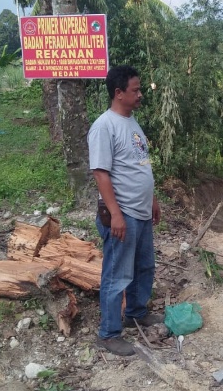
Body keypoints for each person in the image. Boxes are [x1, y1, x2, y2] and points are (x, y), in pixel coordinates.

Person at [88, 65, 163, 356]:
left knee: (144, 267)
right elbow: (100, 173)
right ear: (118, 93)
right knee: (116, 275)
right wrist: (115, 214)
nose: (140, 94)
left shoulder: (132, 123)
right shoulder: (104, 126)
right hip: (123, 214)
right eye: (135, 90)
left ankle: (135, 312)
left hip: (141, 211)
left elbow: (140, 164)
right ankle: (108, 334)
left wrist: (152, 199)